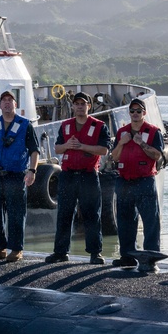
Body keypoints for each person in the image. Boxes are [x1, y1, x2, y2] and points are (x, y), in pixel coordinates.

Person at [45, 92, 111, 265]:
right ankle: (60, 252)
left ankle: (95, 253)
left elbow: (104, 150)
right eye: (77, 104)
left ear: (89, 106)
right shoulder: (65, 126)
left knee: (91, 215)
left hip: (88, 175)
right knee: (64, 214)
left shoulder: (99, 126)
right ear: (73, 106)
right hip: (68, 175)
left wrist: (82, 147)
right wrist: (67, 146)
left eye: (83, 103)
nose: (80, 106)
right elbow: (58, 148)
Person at [0, 91, 40, 263]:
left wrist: (32, 171)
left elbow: (34, 150)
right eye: (4, 101)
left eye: (10, 100)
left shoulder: (25, 125)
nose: (7, 103)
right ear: (0, 105)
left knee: (16, 213)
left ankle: (16, 249)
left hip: (16, 176)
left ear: (15, 104)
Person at [110, 97, 164, 268]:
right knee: (125, 220)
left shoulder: (154, 132)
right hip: (124, 181)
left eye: (138, 111)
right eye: (132, 111)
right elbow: (114, 157)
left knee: (150, 221)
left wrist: (141, 144)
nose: (135, 114)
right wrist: (121, 143)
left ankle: (151, 256)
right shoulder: (122, 132)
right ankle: (127, 256)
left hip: (144, 181)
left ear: (144, 113)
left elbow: (157, 155)